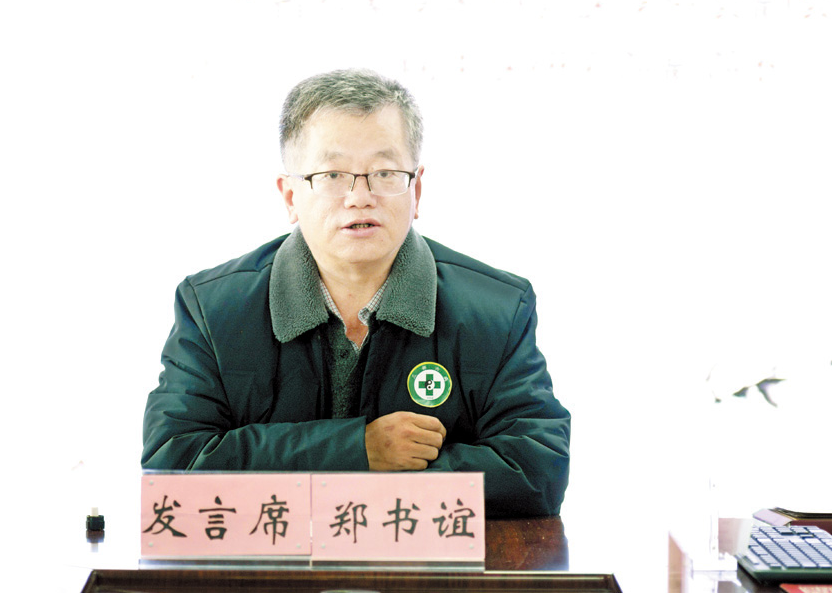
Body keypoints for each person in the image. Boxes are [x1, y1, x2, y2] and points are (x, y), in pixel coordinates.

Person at [141, 69, 570, 517]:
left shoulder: (498, 310)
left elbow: (537, 470)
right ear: (290, 196)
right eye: (332, 174)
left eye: (385, 173)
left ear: (417, 189)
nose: (360, 197)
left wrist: (372, 483)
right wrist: (359, 449)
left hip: (421, 562)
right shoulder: (213, 310)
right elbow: (171, 468)